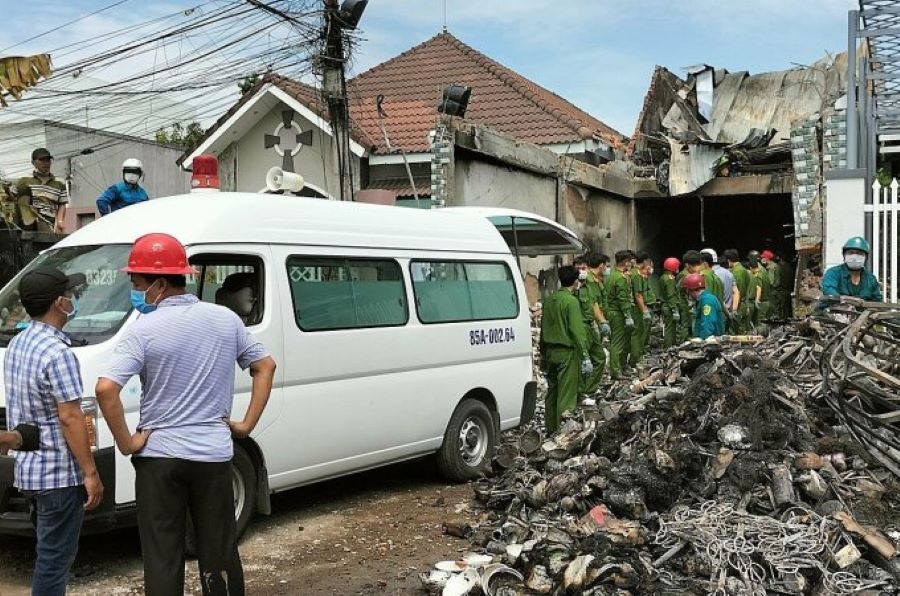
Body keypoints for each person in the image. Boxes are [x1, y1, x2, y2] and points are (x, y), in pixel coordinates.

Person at [95, 233, 277, 596]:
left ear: (159, 283)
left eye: (137, 283)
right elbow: (265, 366)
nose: (134, 290)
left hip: (160, 459)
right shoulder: (225, 320)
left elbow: (105, 389)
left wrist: (128, 443)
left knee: (163, 554)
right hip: (212, 456)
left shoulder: (141, 330)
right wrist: (244, 425)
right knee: (220, 550)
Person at [4, 266, 103, 595]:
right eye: (70, 295)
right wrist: (90, 472)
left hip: (29, 470)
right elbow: (71, 417)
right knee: (55, 558)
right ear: (60, 303)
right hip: (59, 475)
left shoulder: (18, 343)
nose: (74, 299)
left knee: (47, 552)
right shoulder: (59, 354)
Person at [540, 265, 590, 432]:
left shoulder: (549, 300)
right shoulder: (571, 301)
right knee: (567, 396)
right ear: (575, 282)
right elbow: (577, 330)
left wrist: (542, 354)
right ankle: (564, 434)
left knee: (552, 393)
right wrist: (585, 354)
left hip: (550, 351)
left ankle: (550, 430)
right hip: (567, 352)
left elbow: (542, 328)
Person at [576, 253, 610, 396]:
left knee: (599, 358)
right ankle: (582, 391)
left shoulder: (596, 280)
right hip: (585, 324)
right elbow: (592, 304)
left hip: (592, 324)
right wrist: (601, 322)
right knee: (585, 360)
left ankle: (588, 390)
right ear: (601, 265)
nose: (607, 269)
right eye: (606, 266)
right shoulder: (587, 280)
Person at [12, 148, 68, 233]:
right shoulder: (24, 180)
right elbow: (15, 201)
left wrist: (60, 222)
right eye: (42, 160)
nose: (46, 163)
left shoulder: (60, 182)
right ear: (33, 163)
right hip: (28, 222)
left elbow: (62, 204)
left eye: (48, 160)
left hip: (48, 222)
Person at [820, 236, 883, 302]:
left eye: (859, 253)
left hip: (862, 312)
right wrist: (851, 299)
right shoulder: (833, 273)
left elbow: (877, 301)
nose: (854, 257)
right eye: (851, 253)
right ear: (844, 255)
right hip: (832, 310)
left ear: (866, 257)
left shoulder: (870, 279)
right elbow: (829, 292)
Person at [605, 250, 635, 379]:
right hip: (618, 313)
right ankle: (616, 371)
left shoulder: (611, 275)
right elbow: (623, 298)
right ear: (624, 262)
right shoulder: (621, 278)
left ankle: (619, 368)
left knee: (616, 341)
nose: (631, 263)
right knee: (617, 342)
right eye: (629, 261)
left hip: (612, 311)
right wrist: (627, 315)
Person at [682, 273, 725, 340]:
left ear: (691, 290)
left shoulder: (707, 300)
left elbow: (708, 322)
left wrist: (703, 339)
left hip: (710, 340)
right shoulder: (703, 299)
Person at [628, 251, 652, 366]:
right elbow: (638, 295)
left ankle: (636, 356)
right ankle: (635, 359)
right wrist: (644, 310)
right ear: (644, 262)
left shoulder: (633, 272)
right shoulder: (636, 275)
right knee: (637, 334)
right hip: (636, 308)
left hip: (635, 307)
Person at [724, 249, 751, 334]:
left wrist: (734, 306)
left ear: (728, 260)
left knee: (739, 331)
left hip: (739, 305)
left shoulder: (737, 271)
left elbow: (739, 291)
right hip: (742, 303)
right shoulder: (741, 269)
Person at [659, 257, 681, 348]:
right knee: (670, 329)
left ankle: (670, 346)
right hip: (669, 307)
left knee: (669, 327)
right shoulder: (670, 279)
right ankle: (669, 347)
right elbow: (671, 295)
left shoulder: (663, 277)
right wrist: (674, 309)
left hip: (665, 305)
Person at [748, 256, 772, 323]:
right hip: (767, 302)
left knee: (760, 323)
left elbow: (759, 288)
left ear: (751, 268)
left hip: (762, 303)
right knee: (765, 322)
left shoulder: (758, 275)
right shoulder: (764, 272)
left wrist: (757, 300)